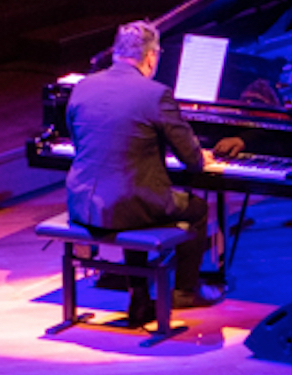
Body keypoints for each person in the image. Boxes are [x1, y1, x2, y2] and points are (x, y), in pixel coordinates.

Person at [65, 18, 232, 316]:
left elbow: (80, 145)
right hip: (129, 205)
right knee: (194, 209)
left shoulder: (82, 87)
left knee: (132, 193)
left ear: (116, 52)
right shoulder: (155, 94)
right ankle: (184, 291)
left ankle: (139, 295)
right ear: (151, 56)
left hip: (82, 203)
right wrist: (200, 155)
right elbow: (191, 161)